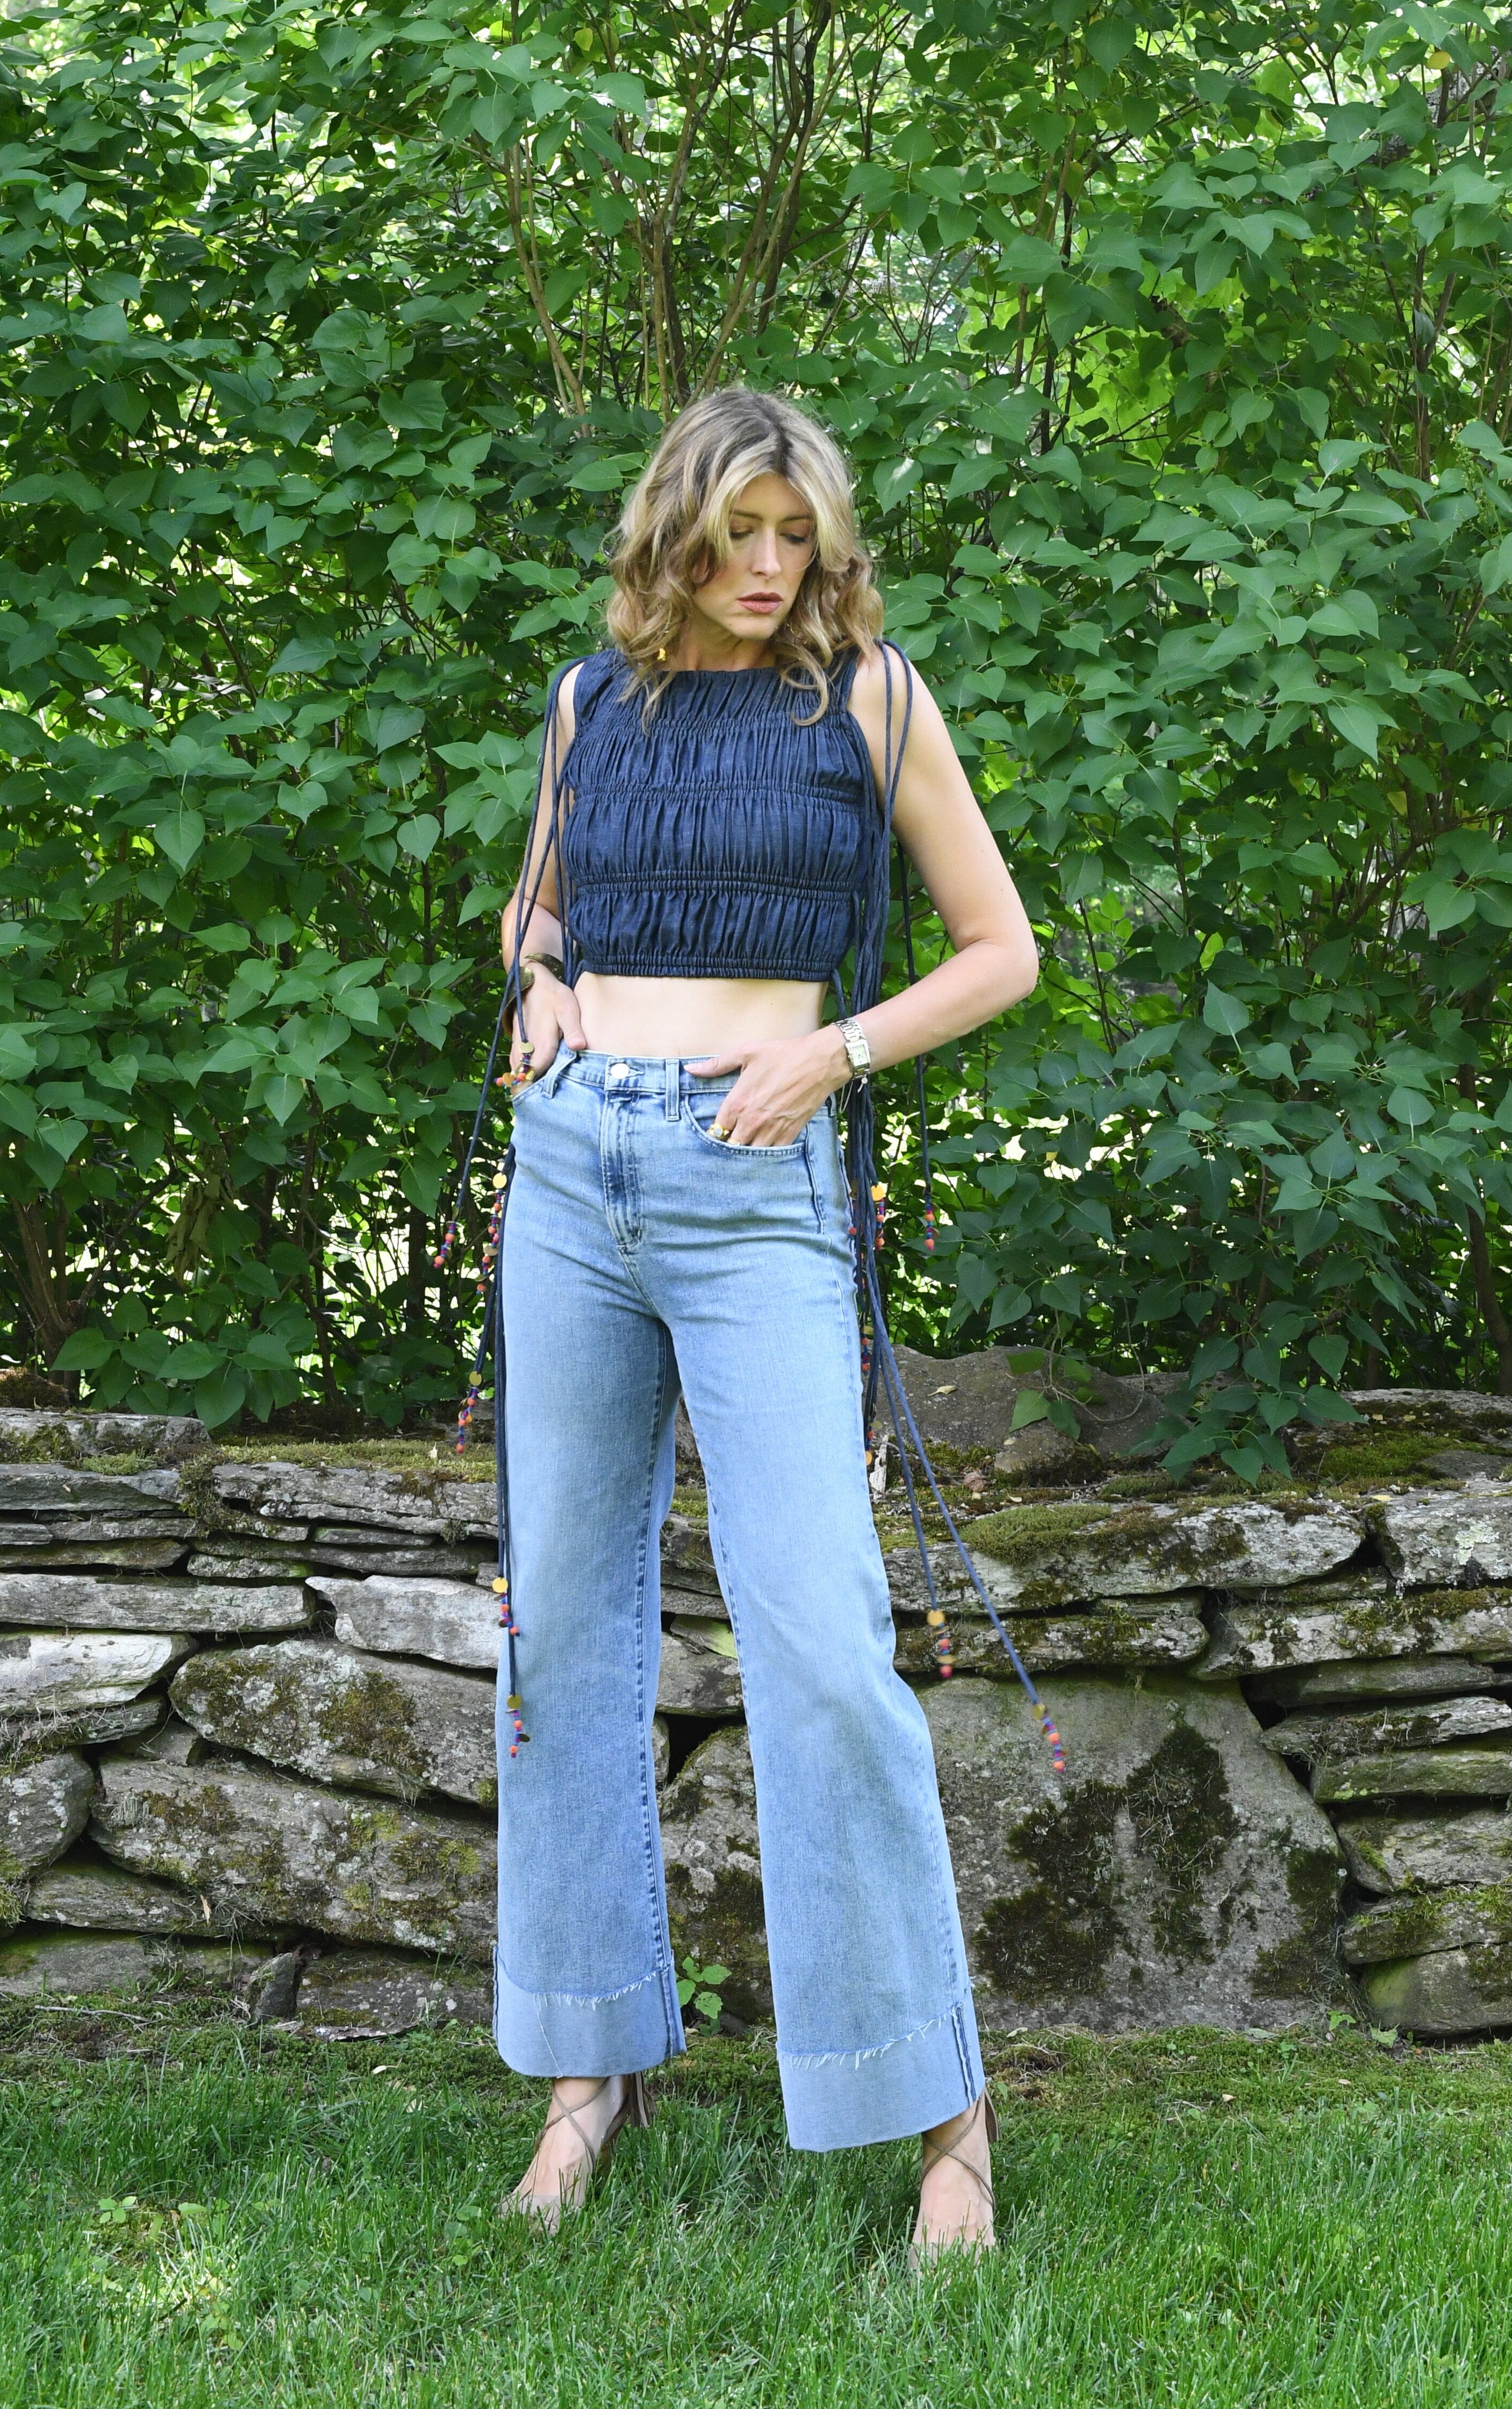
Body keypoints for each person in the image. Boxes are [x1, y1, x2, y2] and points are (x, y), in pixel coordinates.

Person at [487, 385, 1038, 2261]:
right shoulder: (591, 703)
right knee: (564, 1626)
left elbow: (1002, 951)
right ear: (677, 534)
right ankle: (588, 2073)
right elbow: (537, 918)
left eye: (799, 536)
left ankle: (945, 2117)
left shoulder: (872, 700)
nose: (771, 568)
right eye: (739, 537)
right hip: (574, 1178)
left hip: (757, 1183)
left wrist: (836, 1051)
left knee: (822, 1642)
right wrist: (537, 992)